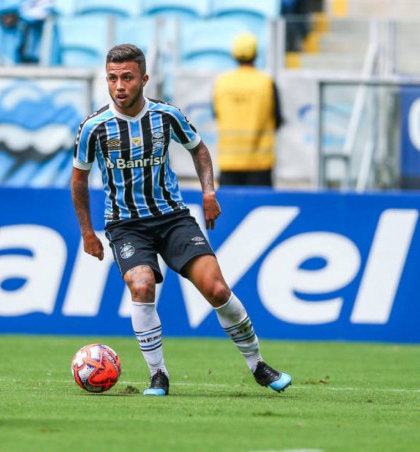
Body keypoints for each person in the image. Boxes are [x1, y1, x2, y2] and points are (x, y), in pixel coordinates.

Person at [71, 44, 292, 396]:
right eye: (112, 78)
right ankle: (158, 375)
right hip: (126, 225)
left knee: (217, 289)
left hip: (173, 218)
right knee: (142, 286)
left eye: (127, 77)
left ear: (143, 79)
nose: (119, 86)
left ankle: (258, 365)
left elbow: (198, 148)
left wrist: (208, 193)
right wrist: (87, 231)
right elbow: (79, 180)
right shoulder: (93, 127)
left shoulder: (166, 116)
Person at [213, 33, 282, 187]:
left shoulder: (222, 83)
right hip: (259, 163)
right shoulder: (265, 82)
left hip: (229, 161)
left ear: (234, 54)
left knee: (229, 209)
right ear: (256, 54)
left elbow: (216, 114)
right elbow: (277, 118)